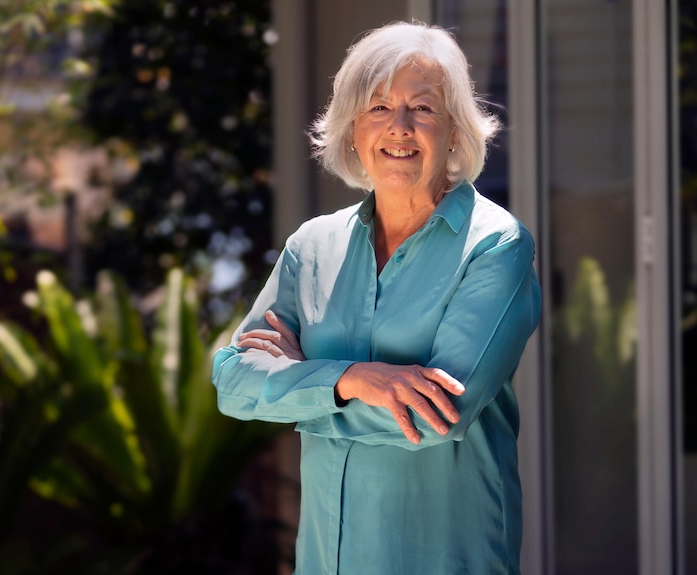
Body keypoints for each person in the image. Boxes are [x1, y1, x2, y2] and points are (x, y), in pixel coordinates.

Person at [211, 20, 541, 575]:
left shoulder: (496, 246)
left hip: (444, 555)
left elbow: (441, 413)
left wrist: (300, 383)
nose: (401, 128)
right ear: (353, 129)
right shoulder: (312, 247)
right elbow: (233, 382)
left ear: (456, 129)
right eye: (379, 108)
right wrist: (348, 380)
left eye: (424, 108)